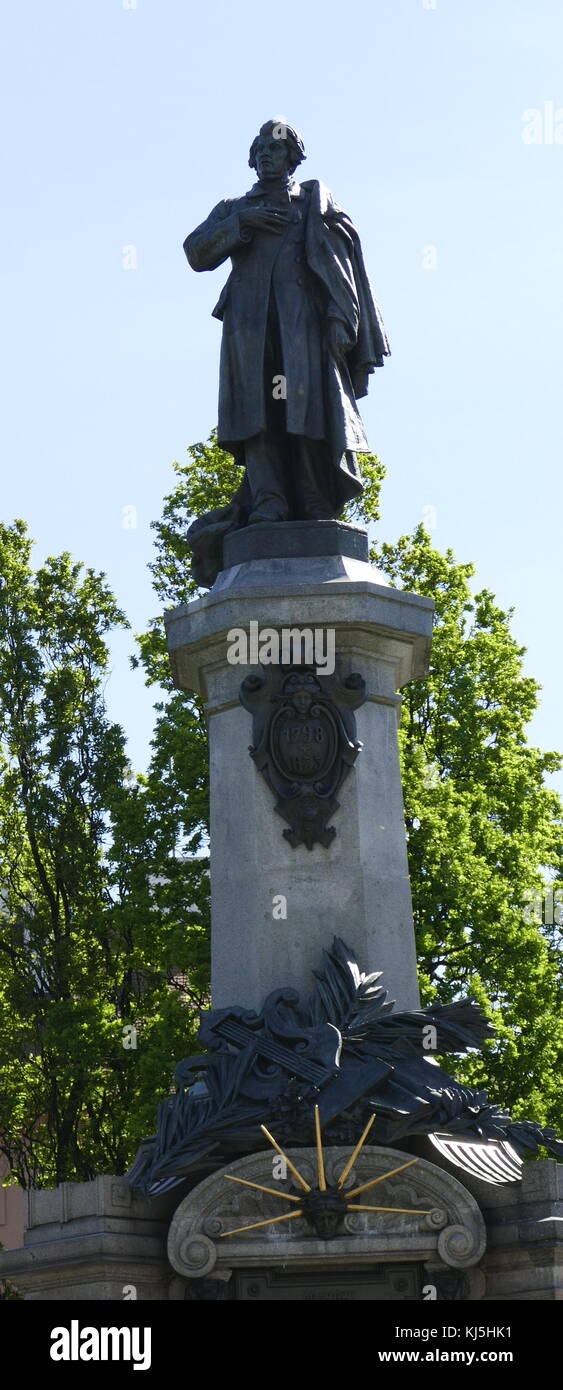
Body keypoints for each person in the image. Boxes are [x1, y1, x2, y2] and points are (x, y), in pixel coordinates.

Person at [183, 119, 390, 585]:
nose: (266, 157)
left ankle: (316, 499)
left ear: (294, 158)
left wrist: (342, 320)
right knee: (256, 412)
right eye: (259, 150)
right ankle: (269, 501)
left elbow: (341, 264)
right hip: (250, 325)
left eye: (276, 151)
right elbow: (196, 252)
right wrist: (240, 225)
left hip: (303, 325)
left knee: (307, 408)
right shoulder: (235, 207)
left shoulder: (314, 202)